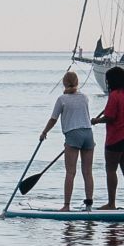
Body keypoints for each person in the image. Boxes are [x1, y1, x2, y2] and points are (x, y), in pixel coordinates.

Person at [38, 71, 95, 211]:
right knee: (87, 172)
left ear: (64, 83)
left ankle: (66, 206)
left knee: (70, 172)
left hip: (73, 134)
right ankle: (89, 206)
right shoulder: (85, 97)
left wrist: (44, 132)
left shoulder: (62, 99)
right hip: (88, 133)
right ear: (77, 82)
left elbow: (53, 119)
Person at [90, 67, 124, 209]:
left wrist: (96, 121)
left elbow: (110, 117)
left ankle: (111, 203)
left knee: (111, 169)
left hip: (117, 136)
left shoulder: (115, 95)